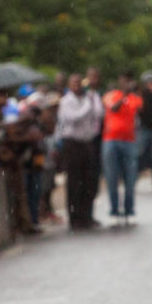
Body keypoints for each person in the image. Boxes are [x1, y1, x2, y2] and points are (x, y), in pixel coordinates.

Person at [57, 74, 104, 230]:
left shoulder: (88, 98)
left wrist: (93, 97)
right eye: (74, 84)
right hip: (72, 144)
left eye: (79, 83)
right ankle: (75, 218)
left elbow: (98, 114)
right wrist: (87, 106)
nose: (77, 86)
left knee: (89, 180)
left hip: (87, 143)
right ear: (69, 85)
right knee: (74, 182)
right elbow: (73, 118)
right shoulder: (66, 101)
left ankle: (87, 216)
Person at [101, 72, 143, 226]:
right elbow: (114, 108)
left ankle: (129, 209)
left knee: (130, 178)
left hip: (129, 142)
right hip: (111, 141)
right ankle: (114, 209)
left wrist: (134, 93)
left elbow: (141, 109)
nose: (125, 84)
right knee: (112, 177)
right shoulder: (111, 95)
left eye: (128, 82)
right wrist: (123, 95)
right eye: (123, 81)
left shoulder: (135, 99)